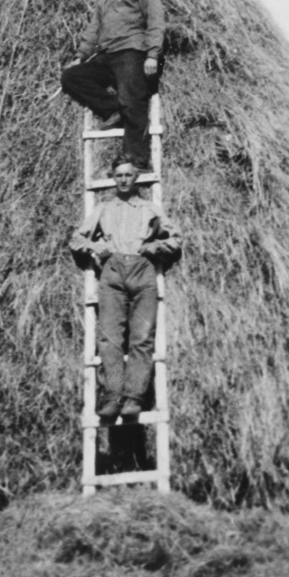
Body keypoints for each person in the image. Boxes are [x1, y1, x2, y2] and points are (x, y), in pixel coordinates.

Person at [70, 156, 181, 419]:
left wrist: (157, 246)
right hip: (113, 272)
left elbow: (176, 238)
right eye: (118, 175)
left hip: (143, 271)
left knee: (142, 339)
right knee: (109, 338)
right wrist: (96, 246)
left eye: (128, 175)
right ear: (112, 177)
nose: (123, 180)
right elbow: (76, 238)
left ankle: (134, 397)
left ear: (136, 178)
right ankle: (113, 396)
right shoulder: (103, 209)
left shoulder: (149, 209)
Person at [61, 0, 164, 172]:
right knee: (71, 77)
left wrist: (152, 54)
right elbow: (93, 30)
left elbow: (156, 20)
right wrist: (79, 57)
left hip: (131, 51)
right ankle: (111, 110)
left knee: (132, 100)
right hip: (107, 55)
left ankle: (138, 161)